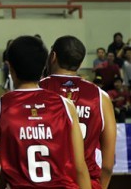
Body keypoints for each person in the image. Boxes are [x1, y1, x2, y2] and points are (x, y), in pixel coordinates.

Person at [0, 36, 90, 188]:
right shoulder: (66, 105)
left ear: (10, 68)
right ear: (44, 65)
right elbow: (80, 168)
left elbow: (11, 163)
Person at [40, 36, 116, 189]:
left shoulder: (35, 90)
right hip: (87, 183)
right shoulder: (100, 96)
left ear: (53, 56)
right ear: (80, 63)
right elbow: (107, 165)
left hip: (47, 183)